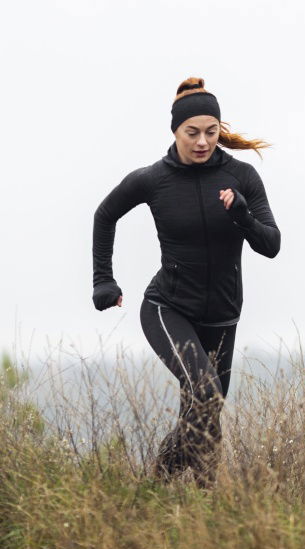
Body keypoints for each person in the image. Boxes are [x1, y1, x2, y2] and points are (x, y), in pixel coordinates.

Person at [91, 77, 280, 487]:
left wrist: (243, 216)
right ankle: (160, 476)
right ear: (175, 130)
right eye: (192, 132)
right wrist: (103, 280)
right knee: (206, 394)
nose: (202, 141)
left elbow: (271, 245)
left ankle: (188, 501)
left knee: (206, 418)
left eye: (211, 132)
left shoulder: (242, 177)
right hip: (168, 307)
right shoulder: (152, 179)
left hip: (223, 316)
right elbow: (105, 215)